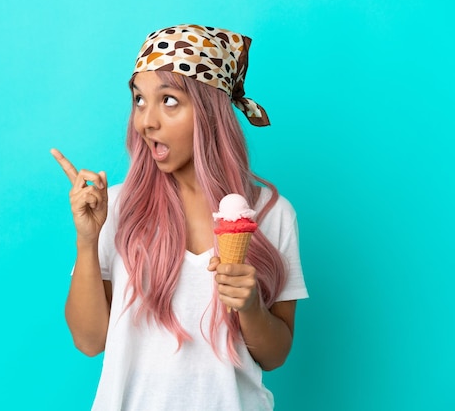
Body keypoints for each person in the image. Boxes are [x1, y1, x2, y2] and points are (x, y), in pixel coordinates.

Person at [51, 24, 308, 410]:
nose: (146, 121)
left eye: (168, 101)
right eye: (139, 100)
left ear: (209, 112)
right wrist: (88, 240)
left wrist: (251, 307)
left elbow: (274, 355)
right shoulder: (117, 207)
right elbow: (89, 341)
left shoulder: (272, 214)